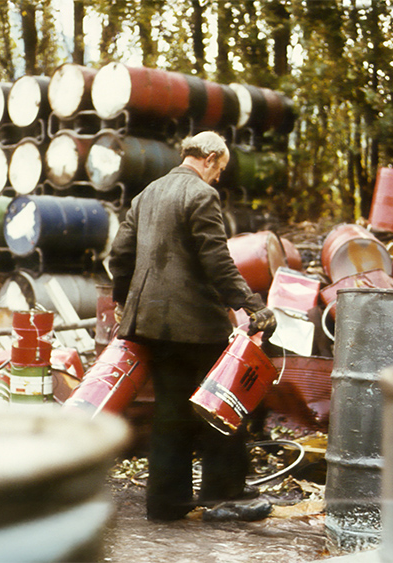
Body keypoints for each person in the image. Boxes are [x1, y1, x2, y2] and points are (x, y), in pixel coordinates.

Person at [108, 131, 277, 521]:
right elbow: (216, 260)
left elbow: (120, 254)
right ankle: (224, 496)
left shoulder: (147, 193)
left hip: (149, 323)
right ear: (211, 157)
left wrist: (121, 300)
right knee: (222, 403)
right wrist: (251, 304)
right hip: (195, 323)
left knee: (170, 412)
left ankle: (167, 502)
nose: (218, 177)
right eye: (220, 168)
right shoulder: (202, 195)